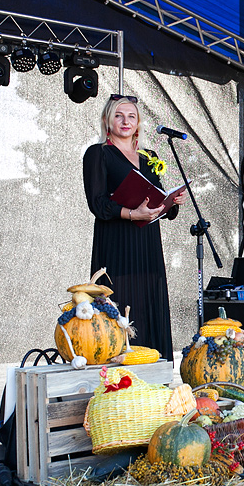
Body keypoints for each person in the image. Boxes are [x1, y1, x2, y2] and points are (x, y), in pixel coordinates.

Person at [82, 94, 186, 360]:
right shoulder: (98, 154)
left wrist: (171, 201)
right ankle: (120, 383)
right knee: (121, 305)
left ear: (138, 122)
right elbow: (97, 204)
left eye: (131, 116)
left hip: (147, 244)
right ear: (107, 120)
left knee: (150, 302)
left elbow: (158, 200)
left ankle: (156, 375)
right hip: (117, 243)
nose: (125, 121)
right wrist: (131, 213)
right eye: (119, 115)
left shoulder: (149, 156)